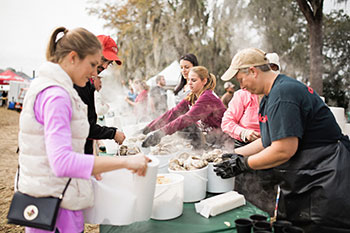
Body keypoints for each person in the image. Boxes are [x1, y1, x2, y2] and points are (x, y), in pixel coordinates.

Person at [17, 26, 150, 233]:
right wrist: (126, 161)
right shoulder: (57, 96)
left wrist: (91, 166)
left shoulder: (50, 87)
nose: (94, 72)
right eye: (92, 64)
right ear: (72, 58)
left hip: (53, 194)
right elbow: (61, 162)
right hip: (56, 202)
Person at [216, 48, 350, 232]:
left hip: (325, 174)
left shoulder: (283, 94)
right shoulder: (268, 97)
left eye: (240, 80)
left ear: (253, 71)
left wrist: (243, 164)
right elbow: (267, 141)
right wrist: (232, 155)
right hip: (306, 173)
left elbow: (283, 150)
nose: (242, 87)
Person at [142, 66, 228, 149]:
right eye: (189, 80)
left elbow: (186, 119)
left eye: (193, 80)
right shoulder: (192, 96)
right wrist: (149, 128)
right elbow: (173, 112)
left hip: (225, 141)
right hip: (212, 140)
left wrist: (160, 133)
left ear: (204, 81)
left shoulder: (207, 97)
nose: (189, 83)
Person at [74, 35, 125, 154]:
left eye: (110, 63)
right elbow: (82, 128)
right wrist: (113, 133)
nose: (106, 66)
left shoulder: (86, 83)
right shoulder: (78, 83)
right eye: (104, 59)